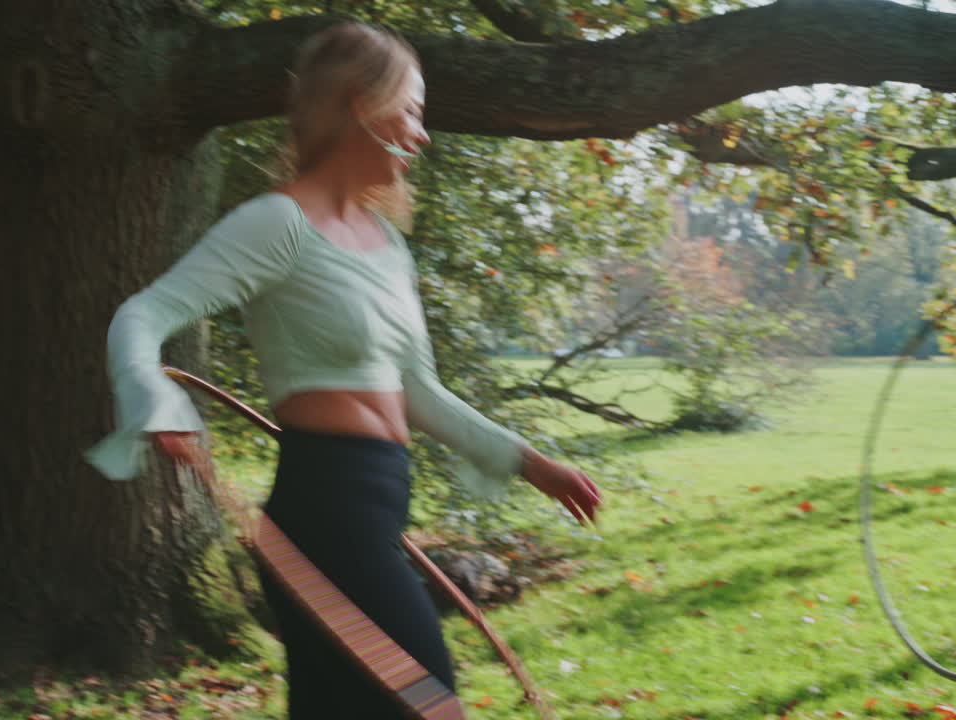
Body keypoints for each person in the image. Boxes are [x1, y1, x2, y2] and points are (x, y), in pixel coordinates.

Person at [85, 21, 601, 719]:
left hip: (377, 504)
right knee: (428, 700)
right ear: (361, 103)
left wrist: (530, 463)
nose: (422, 133)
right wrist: (154, 401)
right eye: (413, 110)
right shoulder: (278, 224)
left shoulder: (388, 245)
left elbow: (418, 391)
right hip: (324, 512)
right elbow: (141, 316)